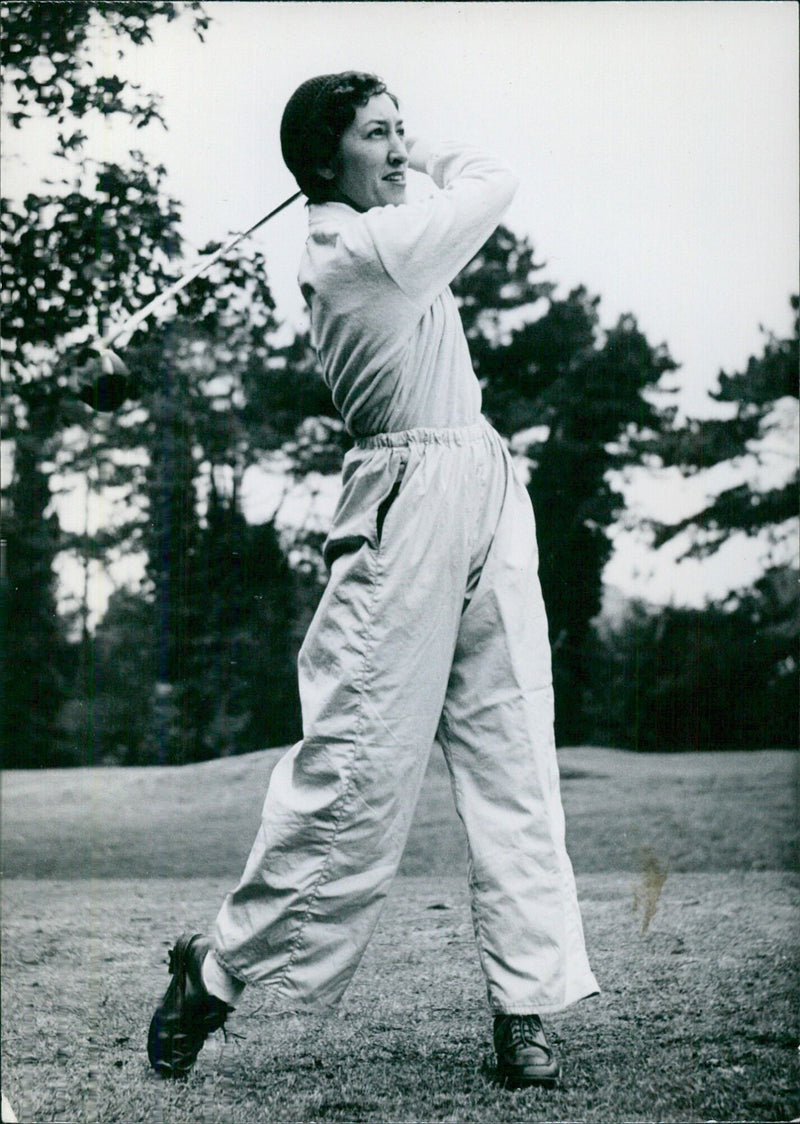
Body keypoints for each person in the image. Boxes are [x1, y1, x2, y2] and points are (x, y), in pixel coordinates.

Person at [147, 71, 599, 1089]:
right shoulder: (356, 251)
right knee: (354, 768)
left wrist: (396, 149)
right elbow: (493, 178)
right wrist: (426, 159)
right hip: (404, 499)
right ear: (320, 163)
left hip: (483, 482)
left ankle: (521, 1005)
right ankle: (212, 976)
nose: (399, 151)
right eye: (375, 137)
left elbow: (466, 181)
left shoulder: (385, 228)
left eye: (404, 131)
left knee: (513, 753)